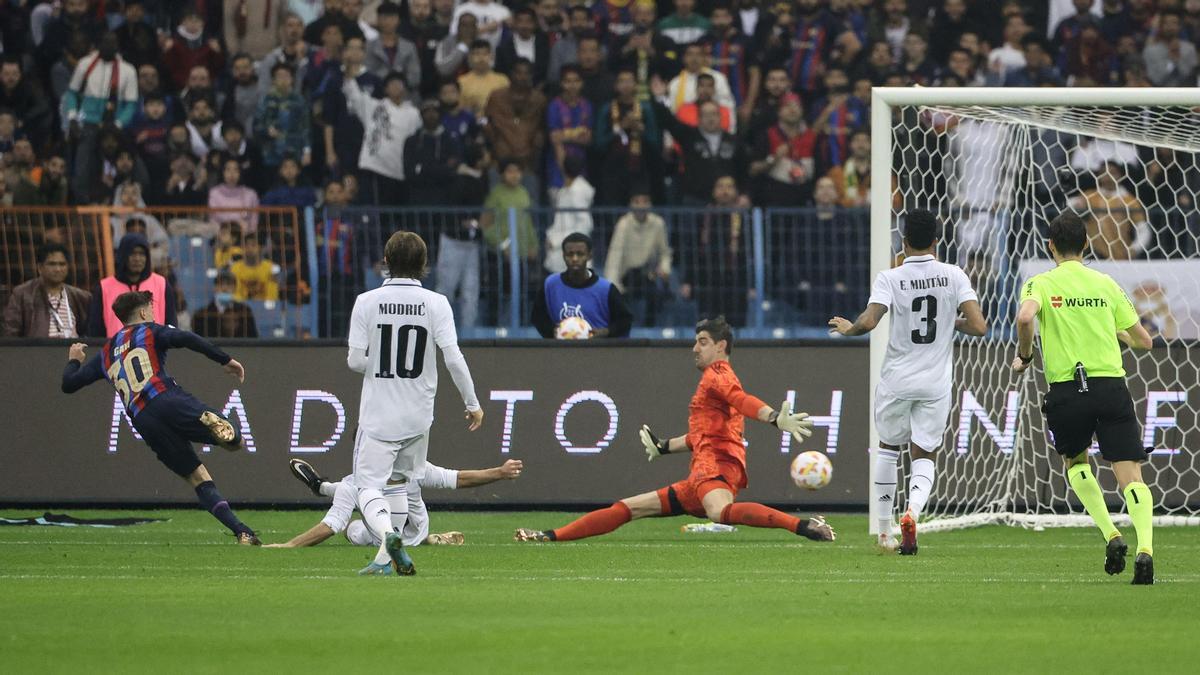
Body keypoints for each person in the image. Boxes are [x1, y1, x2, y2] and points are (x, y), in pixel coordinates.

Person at [516, 316, 834, 541]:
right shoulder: (715, 380)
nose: (695, 348)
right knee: (627, 508)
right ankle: (550, 536)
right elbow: (702, 435)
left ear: (721, 345)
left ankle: (803, 526)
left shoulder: (718, 375)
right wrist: (665, 446)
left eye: (702, 342)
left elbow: (742, 400)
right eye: (695, 342)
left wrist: (774, 417)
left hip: (716, 468)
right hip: (699, 475)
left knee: (719, 513)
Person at [828, 209, 986, 555]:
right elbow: (979, 326)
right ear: (936, 239)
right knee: (924, 451)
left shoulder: (890, 277)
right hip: (934, 383)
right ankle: (912, 512)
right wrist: (950, 322)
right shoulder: (953, 274)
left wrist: (848, 328)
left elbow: (869, 321)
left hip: (897, 379)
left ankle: (884, 533)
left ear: (902, 240)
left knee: (888, 446)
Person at [1012, 212, 1156, 583]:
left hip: (1068, 389)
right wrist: (1116, 333)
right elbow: (1144, 340)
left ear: (1050, 246)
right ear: (1086, 244)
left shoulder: (1039, 283)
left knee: (1076, 463)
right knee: (1130, 475)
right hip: (1110, 387)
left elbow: (1025, 318)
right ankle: (1145, 550)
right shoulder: (1105, 283)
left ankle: (1110, 533)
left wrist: (1025, 356)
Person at [61, 290, 259, 545]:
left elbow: (69, 384)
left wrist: (74, 361)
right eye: (151, 309)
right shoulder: (151, 331)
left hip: (143, 419)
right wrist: (225, 359)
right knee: (237, 444)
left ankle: (242, 532)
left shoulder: (106, 353)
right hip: (168, 398)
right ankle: (225, 434)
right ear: (143, 313)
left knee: (198, 478)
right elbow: (187, 338)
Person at [347, 231, 484, 576]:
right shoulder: (437, 303)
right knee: (398, 482)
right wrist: (472, 402)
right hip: (419, 416)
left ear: (386, 262)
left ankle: (387, 534)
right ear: (424, 265)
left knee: (367, 486)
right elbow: (453, 357)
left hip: (379, 414)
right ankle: (383, 560)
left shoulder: (366, 301)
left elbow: (354, 361)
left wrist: (379, 366)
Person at [266, 457, 524, 548]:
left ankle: (320, 487)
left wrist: (290, 544)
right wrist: (499, 472)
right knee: (352, 513)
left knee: (351, 527)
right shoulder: (410, 468)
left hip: (394, 537)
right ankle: (321, 486)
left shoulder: (356, 481)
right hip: (404, 533)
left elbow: (459, 478)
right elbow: (458, 479)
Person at [532, 232, 632, 339]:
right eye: (570, 254)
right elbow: (537, 317)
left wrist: (606, 332)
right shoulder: (550, 284)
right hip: (562, 351)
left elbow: (625, 320)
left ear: (589, 256)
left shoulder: (605, 289)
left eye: (580, 254)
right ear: (564, 256)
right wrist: (552, 331)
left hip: (598, 351)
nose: (575, 259)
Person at [344, 71, 421, 205]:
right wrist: (348, 71)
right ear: (385, 89)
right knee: (375, 211)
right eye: (392, 84)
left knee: (393, 216)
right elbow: (354, 94)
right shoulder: (374, 106)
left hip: (399, 171)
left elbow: (415, 142)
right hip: (374, 167)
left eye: (399, 84)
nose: (396, 87)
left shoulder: (414, 114)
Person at [88, 233, 178, 338]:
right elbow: (95, 328)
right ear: (123, 256)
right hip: (116, 351)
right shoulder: (104, 287)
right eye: (132, 253)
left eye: (142, 254)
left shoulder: (161, 284)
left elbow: (171, 323)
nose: (137, 259)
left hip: (154, 351)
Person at [604, 191, 672, 324]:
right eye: (637, 201)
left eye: (645, 201)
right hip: (626, 275)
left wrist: (665, 269)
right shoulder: (623, 224)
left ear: (650, 204)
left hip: (648, 274)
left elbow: (665, 252)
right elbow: (614, 256)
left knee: (655, 291)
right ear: (630, 204)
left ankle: (650, 329)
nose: (641, 206)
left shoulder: (658, 223)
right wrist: (613, 284)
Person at [3, 244, 91, 338]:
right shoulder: (23, 294)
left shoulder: (81, 297)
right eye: (52, 264)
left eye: (62, 264)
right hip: (38, 350)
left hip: (73, 350)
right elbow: (11, 331)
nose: (58, 269)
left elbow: (89, 332)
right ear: (40, 268)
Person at [542, 155, 595, 275]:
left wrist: (557, 240)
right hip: (559, 255)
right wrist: (551, 237)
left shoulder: (577, 192)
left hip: (571, 254)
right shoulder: (566, 190)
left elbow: (585, 225)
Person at [192, 271, 259, 338]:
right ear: (214, 288)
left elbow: (253, 339)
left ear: (235, 288)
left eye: (229, 284)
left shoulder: (245, 311)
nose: (225, 288)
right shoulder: (201, 315)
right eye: (221, 284)